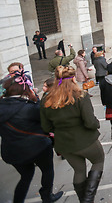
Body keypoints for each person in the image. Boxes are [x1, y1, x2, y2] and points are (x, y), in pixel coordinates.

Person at [40, 66, 104, 202]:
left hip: (64, 144)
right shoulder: (81, 96)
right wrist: (97, 124)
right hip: (86, 140)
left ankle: (83, 199)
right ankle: (88, 199)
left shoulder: (46, 100)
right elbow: (89, 122)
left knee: (79, 171)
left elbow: (46, 127)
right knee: (98, 161)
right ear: (73, 79)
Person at [0, 72, 63, 203]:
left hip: (12, 151)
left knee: (26, 176)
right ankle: (47, 196)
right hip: (37, 148)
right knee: (47, 171)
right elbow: (46, 123)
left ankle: (18, 200)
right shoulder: (29, 108)